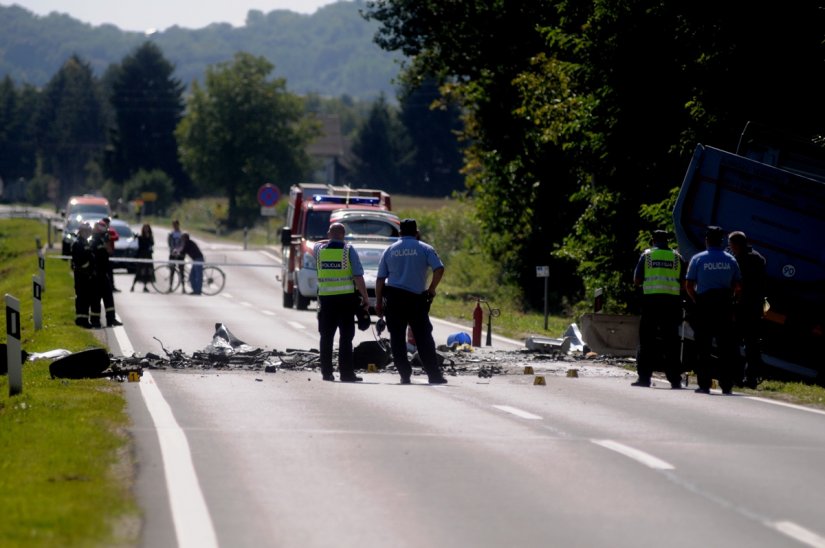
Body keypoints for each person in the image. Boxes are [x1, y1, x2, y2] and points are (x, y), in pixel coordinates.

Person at [375, 218, 447, 385]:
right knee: (424, 338)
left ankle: (405, 375)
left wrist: (378, 302)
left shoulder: (389, 250)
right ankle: (434, 375)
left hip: (394, 299)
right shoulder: (425, 248)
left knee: (397, 339)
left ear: (400, 233)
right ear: (417, 232)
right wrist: (431, 288)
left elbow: (380, 279)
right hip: (416, 300)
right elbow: (439, 268)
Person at [685, 225, 741, 394]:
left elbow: (688, 285)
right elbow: (739, 286)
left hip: (705, 307)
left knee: (703, 347)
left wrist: (697, 300)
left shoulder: (698, 259)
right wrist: (731, 298)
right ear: (722, 241)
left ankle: (704, 384)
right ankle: (726, 385)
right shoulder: (731, 260)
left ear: (707, 240)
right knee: (726, 348)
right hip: (724, 306)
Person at [314, 222, 371, 382]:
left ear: (329, 234)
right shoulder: (348, 250)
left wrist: (329, 239)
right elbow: (358, 276)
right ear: (344, 235)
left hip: (326, 301)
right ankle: (346, 373)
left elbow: (317, 243)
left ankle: (327, 373)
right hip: (346, 301)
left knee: (326, 337)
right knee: (346, 337)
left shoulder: (319, 251)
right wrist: (365, 297)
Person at [632, 229, 686, 389]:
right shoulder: (677, 257)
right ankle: (675, 380)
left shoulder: (647, 255)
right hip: (671, 304)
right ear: (668, 241)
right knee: (671, 341)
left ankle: (644, 378)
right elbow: (684, 283)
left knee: (647, 340)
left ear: (653, 240)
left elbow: (637, 280)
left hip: (650, 303)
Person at [728, 230, 768, 388]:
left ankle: (736, 377)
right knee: (752, 344)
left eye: (730, 245)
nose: (730, 247)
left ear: (736, 244)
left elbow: (736, 284)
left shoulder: (736, 259)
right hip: (755, 306)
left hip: (740, 306)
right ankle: (751, 378)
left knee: (734, 342)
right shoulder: (759, 258)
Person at [89, 220, 123, 327]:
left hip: (104, 273)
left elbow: (109, 252)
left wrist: (107, 242)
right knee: (96, 299)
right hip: (96, 274)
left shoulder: (105, 239)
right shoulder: (93, 240)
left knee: (108, 297)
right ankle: (95, 321)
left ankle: (111, 319)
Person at [70, 222, 95, 328]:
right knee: (82, 298)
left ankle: (82, 319)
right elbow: (78, 260)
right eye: (87, 231)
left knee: (85, 298)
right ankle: (83, 320)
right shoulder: (78, 243)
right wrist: (88, 266)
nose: (89, 233)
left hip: (85, 274)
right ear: (82, 231)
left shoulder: (85, 242)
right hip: (81, 275)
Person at [131, 223, 155, 293]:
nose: (146, 229)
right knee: (139, 271)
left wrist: (149, 238)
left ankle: (145, 286)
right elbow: (141, 245)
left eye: (147, 228)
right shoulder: (141, 237)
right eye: (145, 228)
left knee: (147, 271)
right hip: (142, 255)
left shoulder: (150, 237)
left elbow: (152, 244)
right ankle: (133, 285)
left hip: (148, 255)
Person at [168, 219, 186, 293]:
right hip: (172, 254)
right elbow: (170, 244)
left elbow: (183, 244)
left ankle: (183, 287)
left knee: (181, 271)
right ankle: (170, 287)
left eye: (176, 225)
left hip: (181, 255)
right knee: (172, 271)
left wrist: (179, 251)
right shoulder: (171, 234)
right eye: (173, 225)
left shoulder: (182, 234)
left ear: (178, 225)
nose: (175, 226)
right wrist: (173, 251)